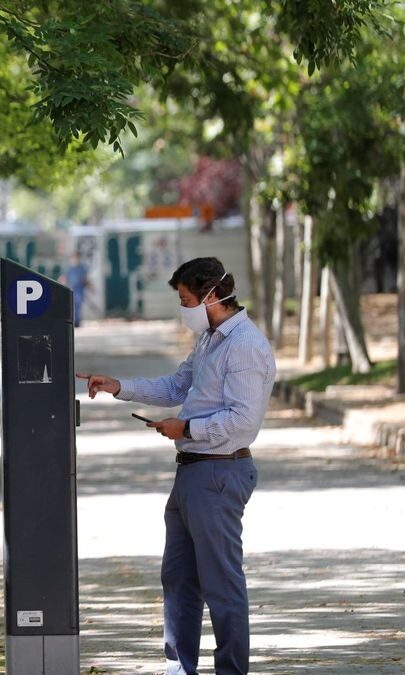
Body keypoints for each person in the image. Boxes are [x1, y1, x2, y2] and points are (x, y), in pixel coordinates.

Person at [77, 257, 275, 675]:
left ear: (212, 295)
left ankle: (231, 670)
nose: (184, 309)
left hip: (220, 472)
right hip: (191, 471)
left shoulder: (245, 347)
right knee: (179, 579)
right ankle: (179, 666)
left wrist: (188, 426)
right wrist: (119, 386)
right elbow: (176, 385)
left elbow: (243, 420)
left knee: (222, 586)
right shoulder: (210, 340)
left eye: (187, 300)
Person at [62, 253, 89, 326]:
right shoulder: (69, 268)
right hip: (71, 289)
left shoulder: (82, 268)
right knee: (71, 305)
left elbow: (85, 279)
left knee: (78, 305)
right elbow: (64, 278)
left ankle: (77, 321)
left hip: (79, 290)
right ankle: (73, 321)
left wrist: (89, 286)